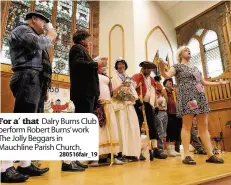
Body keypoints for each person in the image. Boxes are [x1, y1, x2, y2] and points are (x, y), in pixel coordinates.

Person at [1, 12, 57, 183]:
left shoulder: (32, 32)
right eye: (44, 21)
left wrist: (44, 86)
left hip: (35, 78)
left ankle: (25, 164)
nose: (45, 25)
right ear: (34, 19)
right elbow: (39, 44)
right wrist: (51, 35)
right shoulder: (22, 29)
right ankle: (4, 167)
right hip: (26, 75)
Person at [159, 46, 228, 165]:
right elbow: (166, 75)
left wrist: (219, 83)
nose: (189, 51)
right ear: (180, 55)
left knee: (204, 126)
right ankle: (186, 155)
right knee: (187, 126)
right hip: (187, 96)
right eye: (186, 50)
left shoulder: (196, 68)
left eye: (189, 50)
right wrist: (161, 66)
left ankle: (210, 154)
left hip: (200, 95)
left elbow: (204, 82)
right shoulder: (177, 66)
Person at [90, 56, 123, 166]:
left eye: (104, 65)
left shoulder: (106, 77)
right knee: (99, 130)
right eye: (101, 64)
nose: (104, 66)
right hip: (99, 104)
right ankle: (95, 157)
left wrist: (121, 86)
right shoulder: (92, 75)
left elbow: (111, 92)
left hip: (108, 104)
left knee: (112, 129)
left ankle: (113, 155)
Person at [132, 61, 167, 160]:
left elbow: (153, 93)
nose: (147, 69)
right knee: (138, 126)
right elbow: (131, 88)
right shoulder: (137, 76)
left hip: (149, 105)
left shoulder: (152, 80)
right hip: (138, 104)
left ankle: (155, 149)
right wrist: (137, 101)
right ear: (142, 68)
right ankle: (137, 151)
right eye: (145, 67)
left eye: (149, 68)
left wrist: (155, 105)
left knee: (153, 126)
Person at [69, 30, 106, 113]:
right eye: (88, 39)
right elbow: (78, 64)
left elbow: (84, 68)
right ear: (82, 40)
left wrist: (97, 69)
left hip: (88, 92)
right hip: (83, 92)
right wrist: (96, 64)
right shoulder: (77, 48)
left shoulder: (82, 50)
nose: (90, 42)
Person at [111, 58, 141, 162]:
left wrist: (133, 97)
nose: (121, 66)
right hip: (120, 107)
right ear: (116, 66)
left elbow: (134, 93)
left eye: (122, 64)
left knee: (132, 128)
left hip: (129, 107)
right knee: (121, 129)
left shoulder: (129, 79)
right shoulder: (114, 78)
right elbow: (115, 93)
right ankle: (121, 152)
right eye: (119, 64)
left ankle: (131, 152)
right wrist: (129, 97)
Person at [162, 78, 182, 157]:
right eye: (168, 82)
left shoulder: (174, 91)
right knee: (170, 131)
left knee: (176, 131)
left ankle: (173, 149)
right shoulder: (163, 91)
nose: (170, 83)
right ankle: (169, 149)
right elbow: (165, 100)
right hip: (168, 113)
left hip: (176, 113)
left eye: (171, 82)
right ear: (165, 84)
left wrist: (175, 90)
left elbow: (178, 99)